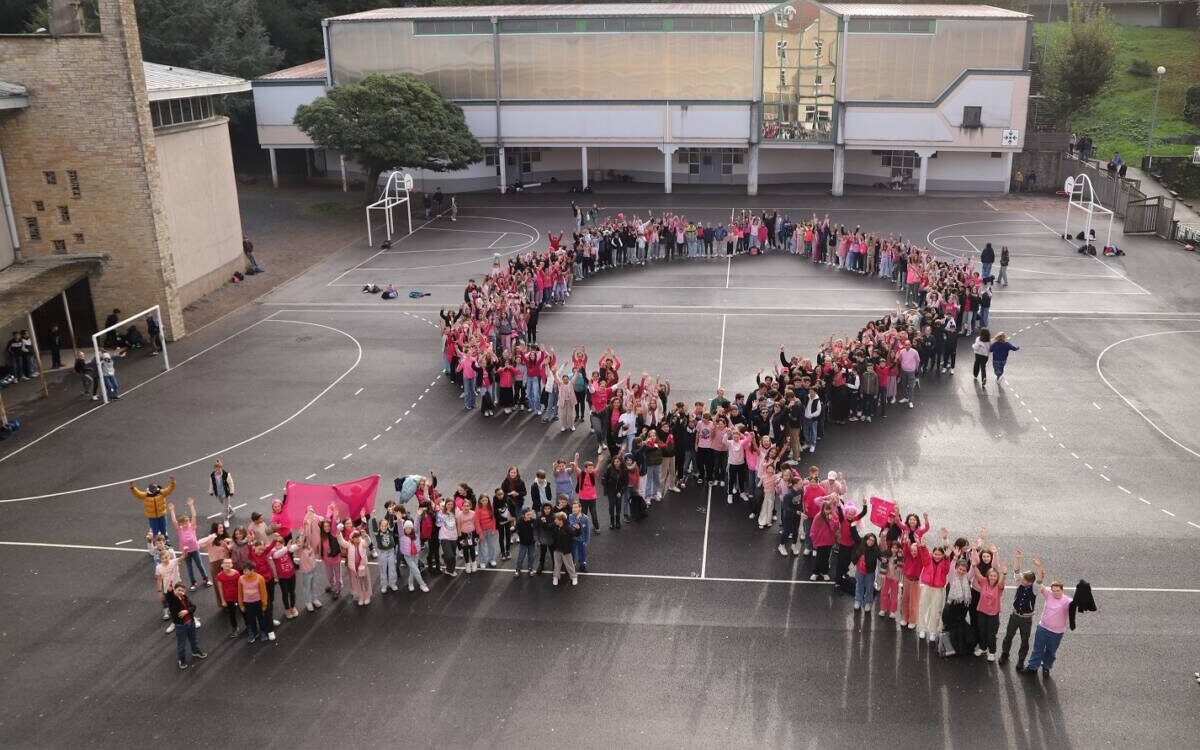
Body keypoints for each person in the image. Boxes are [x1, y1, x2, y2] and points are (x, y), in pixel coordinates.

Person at [1001, 549, 1044, 670]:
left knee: (1024, 640)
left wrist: (1039, 566)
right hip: (1014, 615)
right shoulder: (1020, 582)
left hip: (1026, 619)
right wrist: (1018, 558)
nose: (1021, 580)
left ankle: (1021, 660)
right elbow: (1016, 571)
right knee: (1008, 636)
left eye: (1024, 579)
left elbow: (1040, 578)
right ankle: (1005, 654)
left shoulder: (1035, 588)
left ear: (1030, 582)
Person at [1024, 577, 1073, 678]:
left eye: (1058, 590)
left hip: (1056, 633)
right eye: (1053, 590)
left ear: (1062, 590)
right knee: (1037, 649)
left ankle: (1046, 666)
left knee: (1051, 651)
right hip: (1042, 628)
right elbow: (1038, 585)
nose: (1055, 593)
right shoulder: (1049, 594)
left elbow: (1075, 605)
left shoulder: (1067, 601)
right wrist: (1040, 572)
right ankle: (1032, 667)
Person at [164, 582, 206, 669]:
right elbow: (169, 596)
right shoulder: (173, 600)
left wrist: (187, 611)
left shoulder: (185, 597)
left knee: (194, 639)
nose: (180, 592)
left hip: (190, 623)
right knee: (181, 644)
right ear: (174, 590)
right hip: (181, 626)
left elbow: (193, 606)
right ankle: (181, 660)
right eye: (178, 590)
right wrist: (169, 590)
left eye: (182, 591)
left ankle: (195, 651)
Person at [131, 476, 176, 542]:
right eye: (153, 489)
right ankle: (156, 543)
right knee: (155, 531)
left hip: (162, 515)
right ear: (149, 489)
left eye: (155, 488)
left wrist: (172, 483)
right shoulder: (145, 495)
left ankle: (166, 541)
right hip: (152, 517)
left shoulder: (161, 493)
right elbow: (138, 493)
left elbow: (169, 489)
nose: (154, 490)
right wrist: (132, 488)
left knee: (163, 529)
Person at [237, 562, 270, 644]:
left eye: (246, 571)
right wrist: (241, 605)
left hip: (258, 603)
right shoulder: (241, 579)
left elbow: (263, 592)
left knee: (261, 618)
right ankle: (254, 632)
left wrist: (264, 604)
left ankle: (263, 631)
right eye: (243, 571)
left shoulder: (260, 578)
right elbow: (240, 593)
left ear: (252, 570)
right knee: (251, 619)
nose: (244, 572)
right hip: (247, 603)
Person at [550, 511, 579, 586]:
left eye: (556, 519)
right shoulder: (556, 527)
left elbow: (575, 534)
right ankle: (556, 577)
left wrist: (578, 529)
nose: (555, 521)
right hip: (557, 549)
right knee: (557, 565)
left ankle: (574, 577)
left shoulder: (568, 528)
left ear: (561, 520)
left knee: (569, 565)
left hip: (566, 551)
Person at [568, 501, 592, 572]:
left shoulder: (586, 518)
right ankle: (572, 564)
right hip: (573, 539)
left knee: (582, 553)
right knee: (572, 552)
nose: (574, 509)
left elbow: (587, 531)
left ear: (580, 508)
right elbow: (572, 526)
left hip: (582, 539)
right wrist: (578, 521)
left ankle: (582, 565)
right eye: (573, 508)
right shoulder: (570, 516)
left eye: (576, 507)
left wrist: (587, 541)